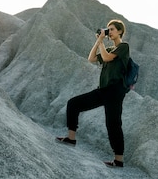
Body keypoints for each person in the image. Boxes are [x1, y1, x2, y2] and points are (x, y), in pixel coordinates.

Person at [56, 19, 130, 168]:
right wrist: (98, 41)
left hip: (115, 91)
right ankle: (71, 138)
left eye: (112, 29)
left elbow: (108, 58)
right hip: (103, 90)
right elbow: (91, 59)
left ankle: (119, 160)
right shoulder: (108, 49)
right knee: (74, 103)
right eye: (108, 29)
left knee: (113, 124)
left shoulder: (123, 47)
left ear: (120, 32)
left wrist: (102, 42)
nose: (110, 32)